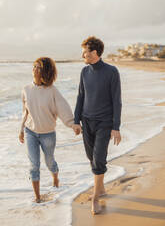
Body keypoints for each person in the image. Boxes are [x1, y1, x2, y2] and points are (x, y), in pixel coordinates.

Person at [74, 36, 122, 214]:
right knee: (91, 157)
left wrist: (116, 126)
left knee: (99, 157)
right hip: (86, 121)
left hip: (104, 121)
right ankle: (101, 188)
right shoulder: (84, 72)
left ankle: (95, 196)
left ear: (94, 52)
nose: (82, 56)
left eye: (84, 52)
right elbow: (80, 96)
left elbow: (116, 101)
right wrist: (76, 120)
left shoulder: (111, 72)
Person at [19, 57, 75, 203]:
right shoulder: (26, 89)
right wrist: (20, 129)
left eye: (38, 67)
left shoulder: (52, 91)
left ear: (45, 71)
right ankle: (37, 197)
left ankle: (55, 178)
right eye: (34, 65)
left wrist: (72, 124)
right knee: (34, 166)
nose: (34, 69)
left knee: (49, 161)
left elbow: (63, 108)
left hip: (48, 134)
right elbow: (25, 112)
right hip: (30, 131)